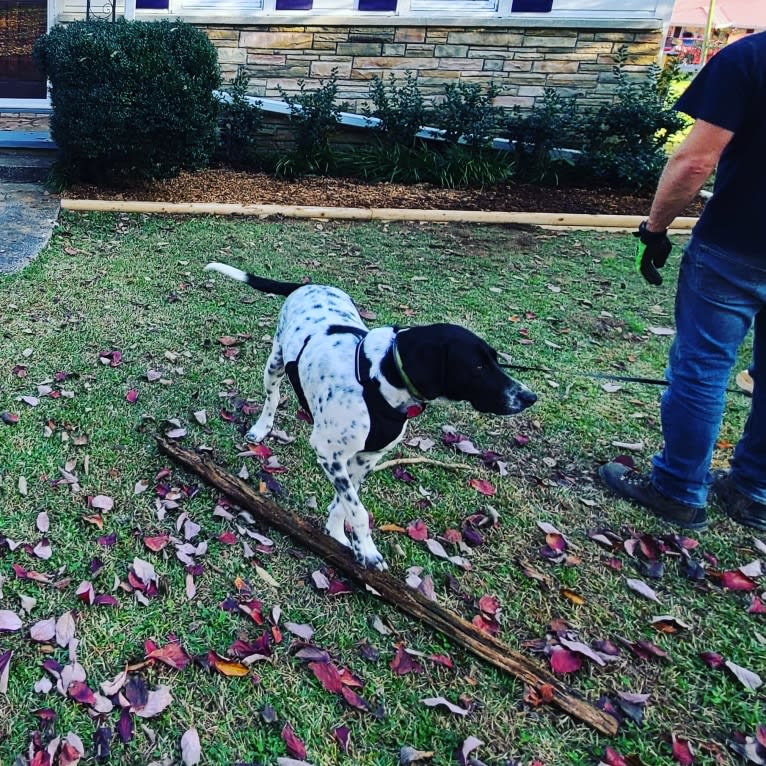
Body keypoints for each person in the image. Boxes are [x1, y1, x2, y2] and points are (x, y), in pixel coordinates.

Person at [598, 31, 766, 533]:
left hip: (736, 248)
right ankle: (754, 490)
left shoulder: (750, 58)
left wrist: (654, 229)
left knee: (703, 369)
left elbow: (694, 160)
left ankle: (678, 487)